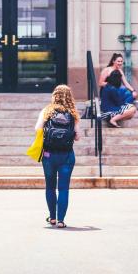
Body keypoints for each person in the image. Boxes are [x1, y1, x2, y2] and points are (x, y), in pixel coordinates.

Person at [35, 85, 79, 229]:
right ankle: (61, 220)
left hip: (49, 154)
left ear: (54, 95)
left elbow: (37, 129)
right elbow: (77, 136)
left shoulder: (47, 111)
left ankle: (52, 217)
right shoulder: (72, 113)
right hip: (66, 155)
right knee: (64, 188)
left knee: (50, 187)